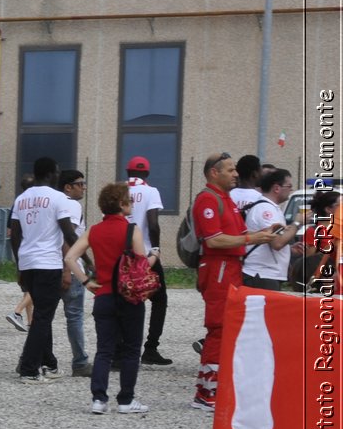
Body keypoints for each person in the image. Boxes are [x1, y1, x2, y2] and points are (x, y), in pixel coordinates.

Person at [191, 152, 277, 411]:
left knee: (228, 328)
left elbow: (234, 234)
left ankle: (211, 389)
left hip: (230, 269)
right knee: (218, 329)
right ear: (214, 173)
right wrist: (253, 239)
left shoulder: (225, 199)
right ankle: (207, 394)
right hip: (218, 269)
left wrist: (260, 234)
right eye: (230, 170)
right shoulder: (208, 199)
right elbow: (214, 240)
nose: (236, 174)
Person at [65, 183, 152, 415]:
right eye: (129, 201)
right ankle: (125, 400)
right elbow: (141, 266)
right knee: (132, 349)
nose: (132, 204)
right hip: (129, 297)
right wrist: (155, 257)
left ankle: (99, 399)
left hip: (103, 296)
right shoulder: (132, 230)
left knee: (104, 350)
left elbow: (70, 257)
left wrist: (85, 281)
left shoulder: (93, 230)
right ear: (122, 205)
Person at [9, 157, 68, 385]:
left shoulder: (21, 198)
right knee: (44, 317)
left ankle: (46, 364)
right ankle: (29, 369)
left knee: (42, 316)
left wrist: (19, 264)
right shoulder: (57, 198)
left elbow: (14, 235)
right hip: (48, 263)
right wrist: (85, 259)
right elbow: (68, 233)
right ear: (51, 173)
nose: (58, 175)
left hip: (28, 262)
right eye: (57, 172)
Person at [124, 157, 171, 365]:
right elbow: (153, 224)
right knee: (159, 299)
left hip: (121, 254)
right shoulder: (151, 191)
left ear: (127, 172)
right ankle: (150, 348)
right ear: (147, 174)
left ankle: (121, 348)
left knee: (124, 299)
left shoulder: (119, 189)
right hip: (144, 253)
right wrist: (156, 249)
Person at [56, 170, 92, 378]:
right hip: (69, 266)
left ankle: (30, 358)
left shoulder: (54, 202)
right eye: (80, 183)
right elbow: (68, 237)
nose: (83, 187)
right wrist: (68, 269)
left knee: (45, 316)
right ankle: (80, 362)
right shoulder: (71, 205)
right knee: (75, 316)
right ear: (68, 187)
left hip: (49, 267)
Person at [241, 168, 297, 291]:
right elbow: (277, 243)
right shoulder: (266, 210)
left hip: (266, 274)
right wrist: (298, 223)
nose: (291, 190)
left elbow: (276, 237)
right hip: (261, 275)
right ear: (277, 188)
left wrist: (290, 249)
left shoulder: (272, 208)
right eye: (289, 186)